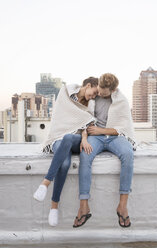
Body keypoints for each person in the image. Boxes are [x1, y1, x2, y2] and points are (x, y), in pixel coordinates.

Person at [73, 73, 136, 228]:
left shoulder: (121, 101)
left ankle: (122, 206)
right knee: (85, 156)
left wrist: (101, 131)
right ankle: (83, 206)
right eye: (99, 90)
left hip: (114, 136)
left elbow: (123, 128)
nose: (100, 94)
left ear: (113, 90)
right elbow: (84, 119)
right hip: (95, 137)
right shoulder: (94, 97)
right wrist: (85, 137)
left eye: (104, 93)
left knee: (128, 155)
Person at [33, 77, 98, 227]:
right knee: (65, 163)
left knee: (69, 137)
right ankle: (54, 207)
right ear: (88, 85)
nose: (93, 96)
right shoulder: (66, 92)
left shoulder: (91, 105)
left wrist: (84, 138)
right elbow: (60, 118)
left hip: (76, 140)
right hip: (57, 137)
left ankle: (45, 183)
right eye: (93, 92)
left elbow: (86, 124)